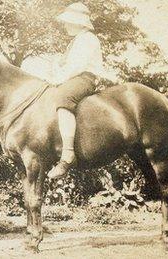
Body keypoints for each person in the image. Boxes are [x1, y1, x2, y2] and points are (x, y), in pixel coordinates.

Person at [47, 2, 106, 179]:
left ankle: (67, 154)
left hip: (85, 79)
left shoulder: (88, 39)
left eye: (68, 22)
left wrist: (59, 79)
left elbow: (77, 66)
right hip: (75, 77)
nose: (65, 25)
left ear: (79, 23)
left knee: (63, 97)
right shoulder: (76, 41)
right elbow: (66, 66)